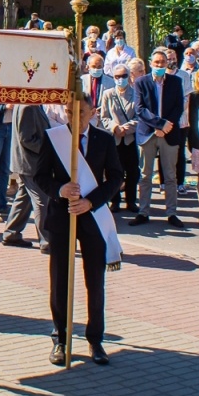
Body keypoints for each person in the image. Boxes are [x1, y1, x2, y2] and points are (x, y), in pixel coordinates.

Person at [32, 89, 123, 367]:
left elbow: (116, 177)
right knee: (60, 279)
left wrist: (91, 202)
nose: (73, 118)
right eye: (69, 112)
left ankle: (95, 339)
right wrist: (60, 189)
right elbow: (39, 176)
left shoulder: (104, 140)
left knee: (94, 280)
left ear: (92, 113)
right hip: (62, 216)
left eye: (80, 113)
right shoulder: (55, 138)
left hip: (92, 217)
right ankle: (60, 338)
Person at [132, 48, 184, 226]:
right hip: (148, 133)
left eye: (162, 62)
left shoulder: (176, 82)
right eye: (156, 63)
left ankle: (171, 213)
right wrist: (159, 125)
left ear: (167, 63)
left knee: (170, 176)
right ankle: (143, 212)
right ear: (150, 64)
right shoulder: (141, 82)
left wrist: (166, 126)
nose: (159, 65)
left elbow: (179, 106)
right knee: (145, 175)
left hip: (169, 133)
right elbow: (140, 109)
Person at [1, 102, 51, 249]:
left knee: (24, 198)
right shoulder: (27, 106)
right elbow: (26, 139)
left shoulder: (30, 105)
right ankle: (47, 241)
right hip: (30, 163)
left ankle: (11, 233)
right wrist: (48, 148)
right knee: (41, 200)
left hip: (29, 162)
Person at [98, 63, 142, 215]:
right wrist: (115, 127)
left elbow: (139, 116)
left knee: (133, 171)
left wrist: (126, 128)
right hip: (114, 139)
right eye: (117, 76)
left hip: (130, 139)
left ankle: (131, 200)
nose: (120, 79)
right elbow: (104, 116)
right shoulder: (108, 94)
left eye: (124, 76)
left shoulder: (136, 94)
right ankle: (115, 200)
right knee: (114, 171)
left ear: (129, 76)